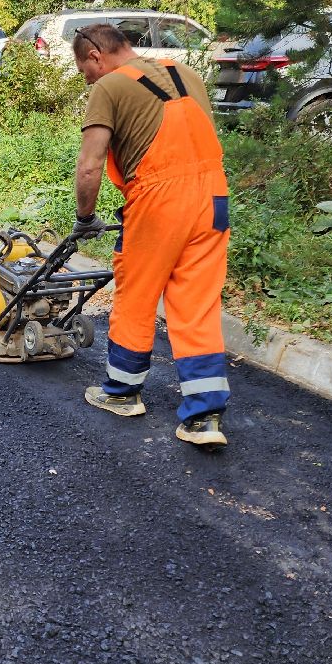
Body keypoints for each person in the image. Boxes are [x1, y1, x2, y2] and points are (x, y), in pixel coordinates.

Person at [69, 23, 231, 449]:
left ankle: (122, 393)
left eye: (86, 71)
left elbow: (90, 165)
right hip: (214, 196)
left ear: (94, 56)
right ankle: (204, 418)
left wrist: (85, 217)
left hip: (160, 199)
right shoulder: (185, 72)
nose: (89, 79)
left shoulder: (109, 87)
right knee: (197, 303)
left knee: (137, 293)